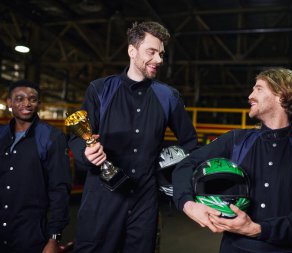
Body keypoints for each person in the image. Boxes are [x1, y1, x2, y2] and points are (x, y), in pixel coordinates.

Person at [68, 21, 199, 253]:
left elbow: (190, 143)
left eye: (161, 54)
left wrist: (171, 176)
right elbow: (77, 138)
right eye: (152, 51)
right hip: (101, 198)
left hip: (144, 201)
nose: (159, 59)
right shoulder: (100, 90)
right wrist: (86, 153)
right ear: (132, 51)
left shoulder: (168, 96)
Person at [172, 67, 292, 253]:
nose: (250, 96)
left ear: (282, 95)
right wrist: (188, 205)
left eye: (258, 88)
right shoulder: (236, 140)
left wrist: (257, 230)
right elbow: (186, 165)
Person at [0, 80, 71, 253]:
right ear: (9, 102)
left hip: (30, 234)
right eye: (19, 98)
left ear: (39, 104)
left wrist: (54, 238)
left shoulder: (52, 137)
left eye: (32, 99)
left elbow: (59, 189)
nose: (26, 103)